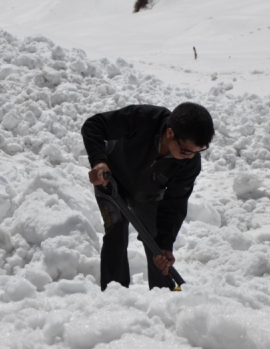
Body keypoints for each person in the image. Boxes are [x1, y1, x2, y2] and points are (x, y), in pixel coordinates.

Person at [81, 103, 214, 290]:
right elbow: (93, 125)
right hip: (110, 183)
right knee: (116, 229)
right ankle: (114, 294)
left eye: (196, 152)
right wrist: (99, 162)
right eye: (185, 151)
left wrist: (166, 244)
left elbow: (175, 203)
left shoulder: (189, 163)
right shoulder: (143, 119)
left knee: (157, 247)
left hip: (148, 195)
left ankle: (163, 298)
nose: (190, 157)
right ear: (170, 134)